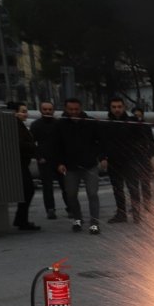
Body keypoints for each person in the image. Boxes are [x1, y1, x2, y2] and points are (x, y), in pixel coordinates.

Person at [54, 98, 106, 235]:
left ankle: (94, 224)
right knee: (71, 195)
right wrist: (59, 163)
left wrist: (102, 158)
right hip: (70, 166)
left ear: (81, 108)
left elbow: (100, 142)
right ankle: (77, 219)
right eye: (70, 109)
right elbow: (56, 145)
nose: (74, 112)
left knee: (93, 194)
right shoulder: (60, 125)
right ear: (66, 109)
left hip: (90, 165)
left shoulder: (91, 123)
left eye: (76, 109)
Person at [103, 97, 140, 223]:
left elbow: (142, 139)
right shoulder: (106, 125)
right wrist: (102, 158)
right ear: (110, 108)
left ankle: (137, 213)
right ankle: (121, 214)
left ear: (124, 107)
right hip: (114, 161)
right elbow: (102, 143)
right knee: (117, 189)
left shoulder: (132, 122)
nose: (117, 109)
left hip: (131, 161)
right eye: (114, 107)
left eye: (119, 107)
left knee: (133, 188)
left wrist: (140, 156)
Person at [9, 102, 41, 231]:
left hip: (22, 162)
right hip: (19, 163)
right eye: (23, 111)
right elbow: (20, 144)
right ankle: (21, 220)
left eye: (26, 111)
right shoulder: (15, 126)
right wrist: (33, 147)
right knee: (28, 190)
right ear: (14, 112)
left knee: (27, 191)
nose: (25, 114)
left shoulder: (18, 125)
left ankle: (21, 219)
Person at [29, 100, 61, 220]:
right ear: (40, 110)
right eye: (45, 109)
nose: (47, 112)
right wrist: (38, 157)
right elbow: (32, 144)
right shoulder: (36, 125)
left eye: (49, 109)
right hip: (44, 160)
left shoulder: (58, 124)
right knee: (47, 186)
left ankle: (70, 208)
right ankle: (50, 209)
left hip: (59, 160)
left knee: (65, 185)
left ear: (53, 111)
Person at [128, 106, 154, 215]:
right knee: (133, 184)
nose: (138, 117)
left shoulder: (146, 126)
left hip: (144, 159)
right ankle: (135, 205)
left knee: (145, 183)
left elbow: (152, 141)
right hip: (132, 159)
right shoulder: (129, 126)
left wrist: (150, 153)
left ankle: (147, 204)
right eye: (136, 115)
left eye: (140, 115)